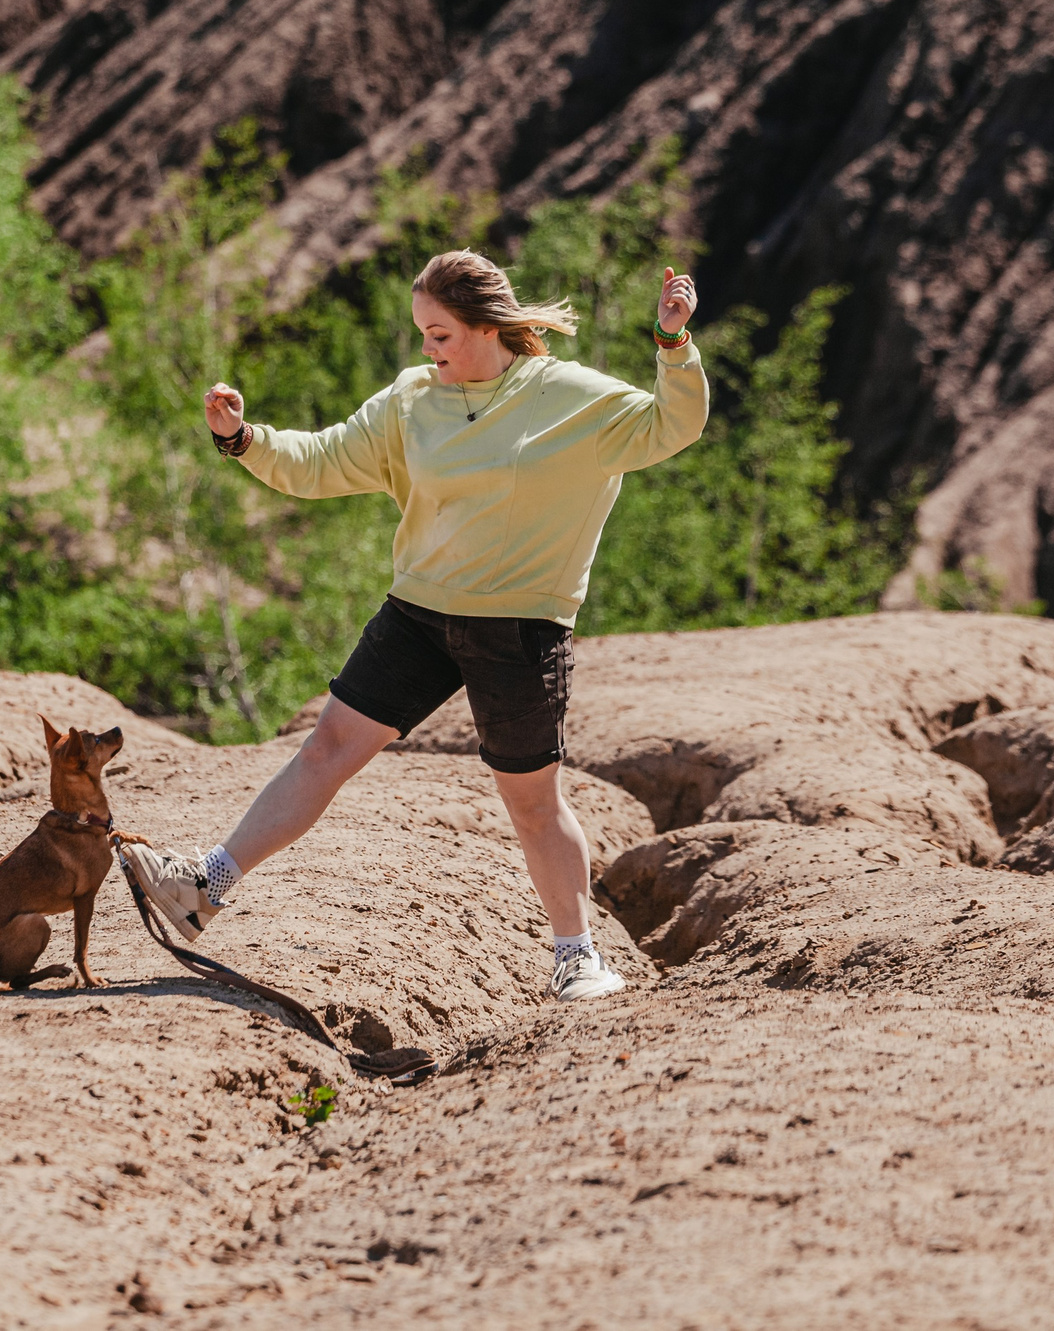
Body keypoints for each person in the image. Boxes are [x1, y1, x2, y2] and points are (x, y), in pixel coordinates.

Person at [125, 249, 706, 1001]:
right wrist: (244, 438)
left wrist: (672, 344)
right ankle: (205, 886)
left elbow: (673, 423)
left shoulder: (564, 395)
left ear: (488, 326)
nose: (428, 351)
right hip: (420, 614)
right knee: (326, 748)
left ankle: (577, 956)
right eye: (422, 336)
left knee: (532, 802)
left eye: (440, 335)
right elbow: (324, 459)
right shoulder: (411, 400)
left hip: (519, 628)